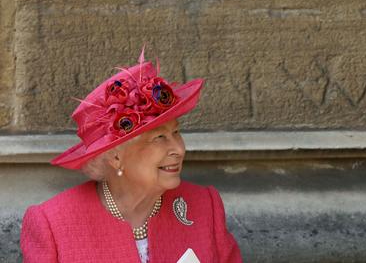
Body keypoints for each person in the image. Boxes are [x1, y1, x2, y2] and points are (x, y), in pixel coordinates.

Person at [21, 50, 242, 263]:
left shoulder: (204, 206)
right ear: (116, 157)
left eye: (176, 132)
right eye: (159, 138)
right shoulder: (53, 224)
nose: (179, 149)